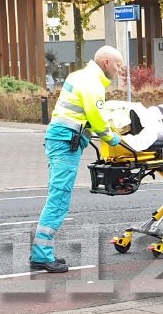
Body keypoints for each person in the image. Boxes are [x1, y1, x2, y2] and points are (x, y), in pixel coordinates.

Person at [31, 46, 125, 273]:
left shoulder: (79, 76)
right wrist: (112, 138)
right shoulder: (92, 83)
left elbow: (86, 115)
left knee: (57, 196)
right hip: (65, 143)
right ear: (105, 63)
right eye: (118, 65)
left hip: (60, 140)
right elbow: (97, 118)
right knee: (59, 198)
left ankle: (41, 253)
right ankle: (42, 255)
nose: (120, 70)